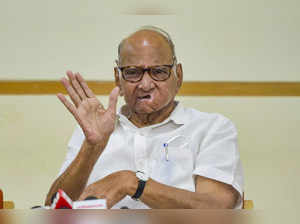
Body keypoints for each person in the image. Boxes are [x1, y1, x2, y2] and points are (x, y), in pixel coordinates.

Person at [45, 26, 244, 209]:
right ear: (118, 79)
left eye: (159, 72)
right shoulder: (93, 130)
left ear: (179, 76)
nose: (145, 84)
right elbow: (55, 210)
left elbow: (217, 209)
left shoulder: (211, 128)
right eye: (133, 73)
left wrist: (131, 183)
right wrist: (92, 147)